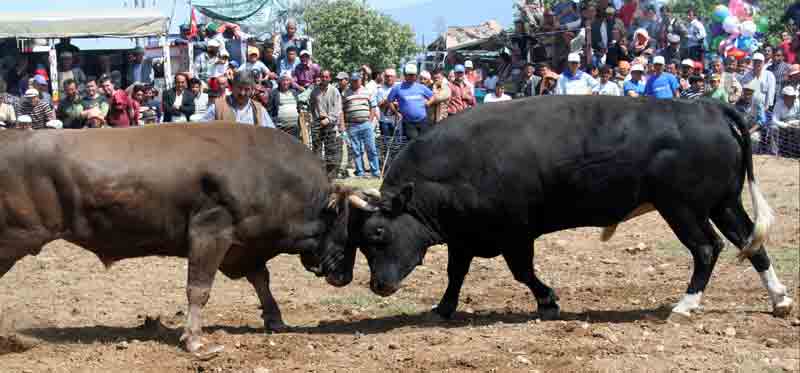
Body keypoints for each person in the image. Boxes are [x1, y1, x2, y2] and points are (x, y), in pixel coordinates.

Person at [341, 72, 380, 178]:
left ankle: (375, 172)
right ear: (350, 80)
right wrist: (343, 127)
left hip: (366, 124)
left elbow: (373, 107)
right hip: (352, 125)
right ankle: (360, 172)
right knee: (356, 150)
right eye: (353, 80)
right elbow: (342, 111)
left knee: (371, 149)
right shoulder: (345, 93)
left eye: (357, 80)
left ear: (360, 80)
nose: (355, 82)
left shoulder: (367, 91)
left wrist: (370, 121)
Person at [204, 71, 274, 128]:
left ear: (252, 90)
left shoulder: (259, 110)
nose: (242, 93)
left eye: (247, 89)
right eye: (239, 88)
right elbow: (202, 129)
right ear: (233, 87)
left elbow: (271, 134)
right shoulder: (217, 107)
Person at [309, 70, 343, 178]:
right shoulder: (314, 92)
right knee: (317, 149)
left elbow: (337, 109)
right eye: (322, 76)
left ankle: (331, 174)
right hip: (318, 123)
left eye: (326, 77)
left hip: (330, 124)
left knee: (331, 149)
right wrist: (314, 120)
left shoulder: (334, 91)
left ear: (329, 78)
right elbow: (312, 107)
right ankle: (318, 173)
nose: (324, 79)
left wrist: (329, 119)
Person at [387, 63, 434, 141]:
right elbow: (389, 101)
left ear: (416, 75)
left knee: (425, 142)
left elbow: (432, 96)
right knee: (413, 143)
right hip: (408, 123)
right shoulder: (397, 88)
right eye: (409, 75)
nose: (411, 77)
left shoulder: (421, 87)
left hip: (423, 121)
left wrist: (428, 103)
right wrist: (396, 112)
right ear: (405, 75)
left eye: (413, 75)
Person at [269, 72, 301, 138]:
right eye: (283, 80)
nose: (285, 82)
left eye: (287, 80)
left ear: (290, 82)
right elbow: (270, 110)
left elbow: (298, 108)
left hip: (294, 128)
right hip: (281, 128)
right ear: (280, 82)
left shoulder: (294, 92)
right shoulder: (274, 93)